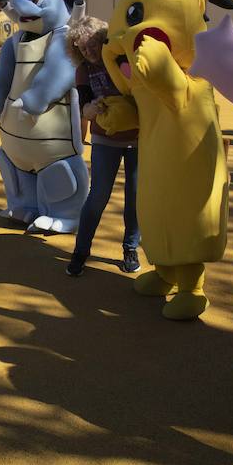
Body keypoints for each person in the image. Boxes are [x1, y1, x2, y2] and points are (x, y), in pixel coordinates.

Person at [65, 16, 140, 277]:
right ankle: (81, 251)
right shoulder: (83, 70)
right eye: (82, 49)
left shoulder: (121, 61)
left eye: (92, 45)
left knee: (135, 196)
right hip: (105, 137)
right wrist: (91, 108)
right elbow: (83, 108)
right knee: (98, 196)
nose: (88, 52)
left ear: (102, 40)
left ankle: (131, 248)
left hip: (137, 138)